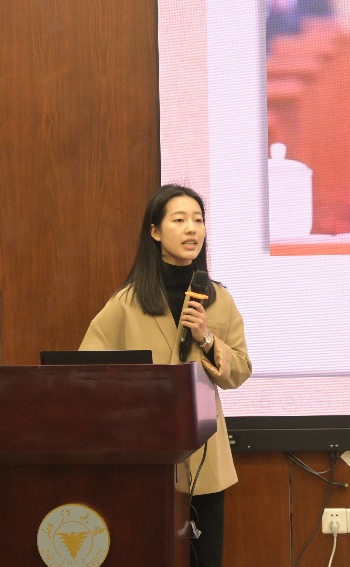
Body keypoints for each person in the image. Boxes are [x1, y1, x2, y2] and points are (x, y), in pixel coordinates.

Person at [79, 184, 252, 567]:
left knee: (203, 559)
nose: (192, 229)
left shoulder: (218, 299)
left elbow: (240, 370)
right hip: (144, 457)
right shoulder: (126, 302)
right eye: (179, 220)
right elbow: (87, 370)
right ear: (155, 231)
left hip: (205, 458)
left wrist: (206, 338)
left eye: (198, 220)